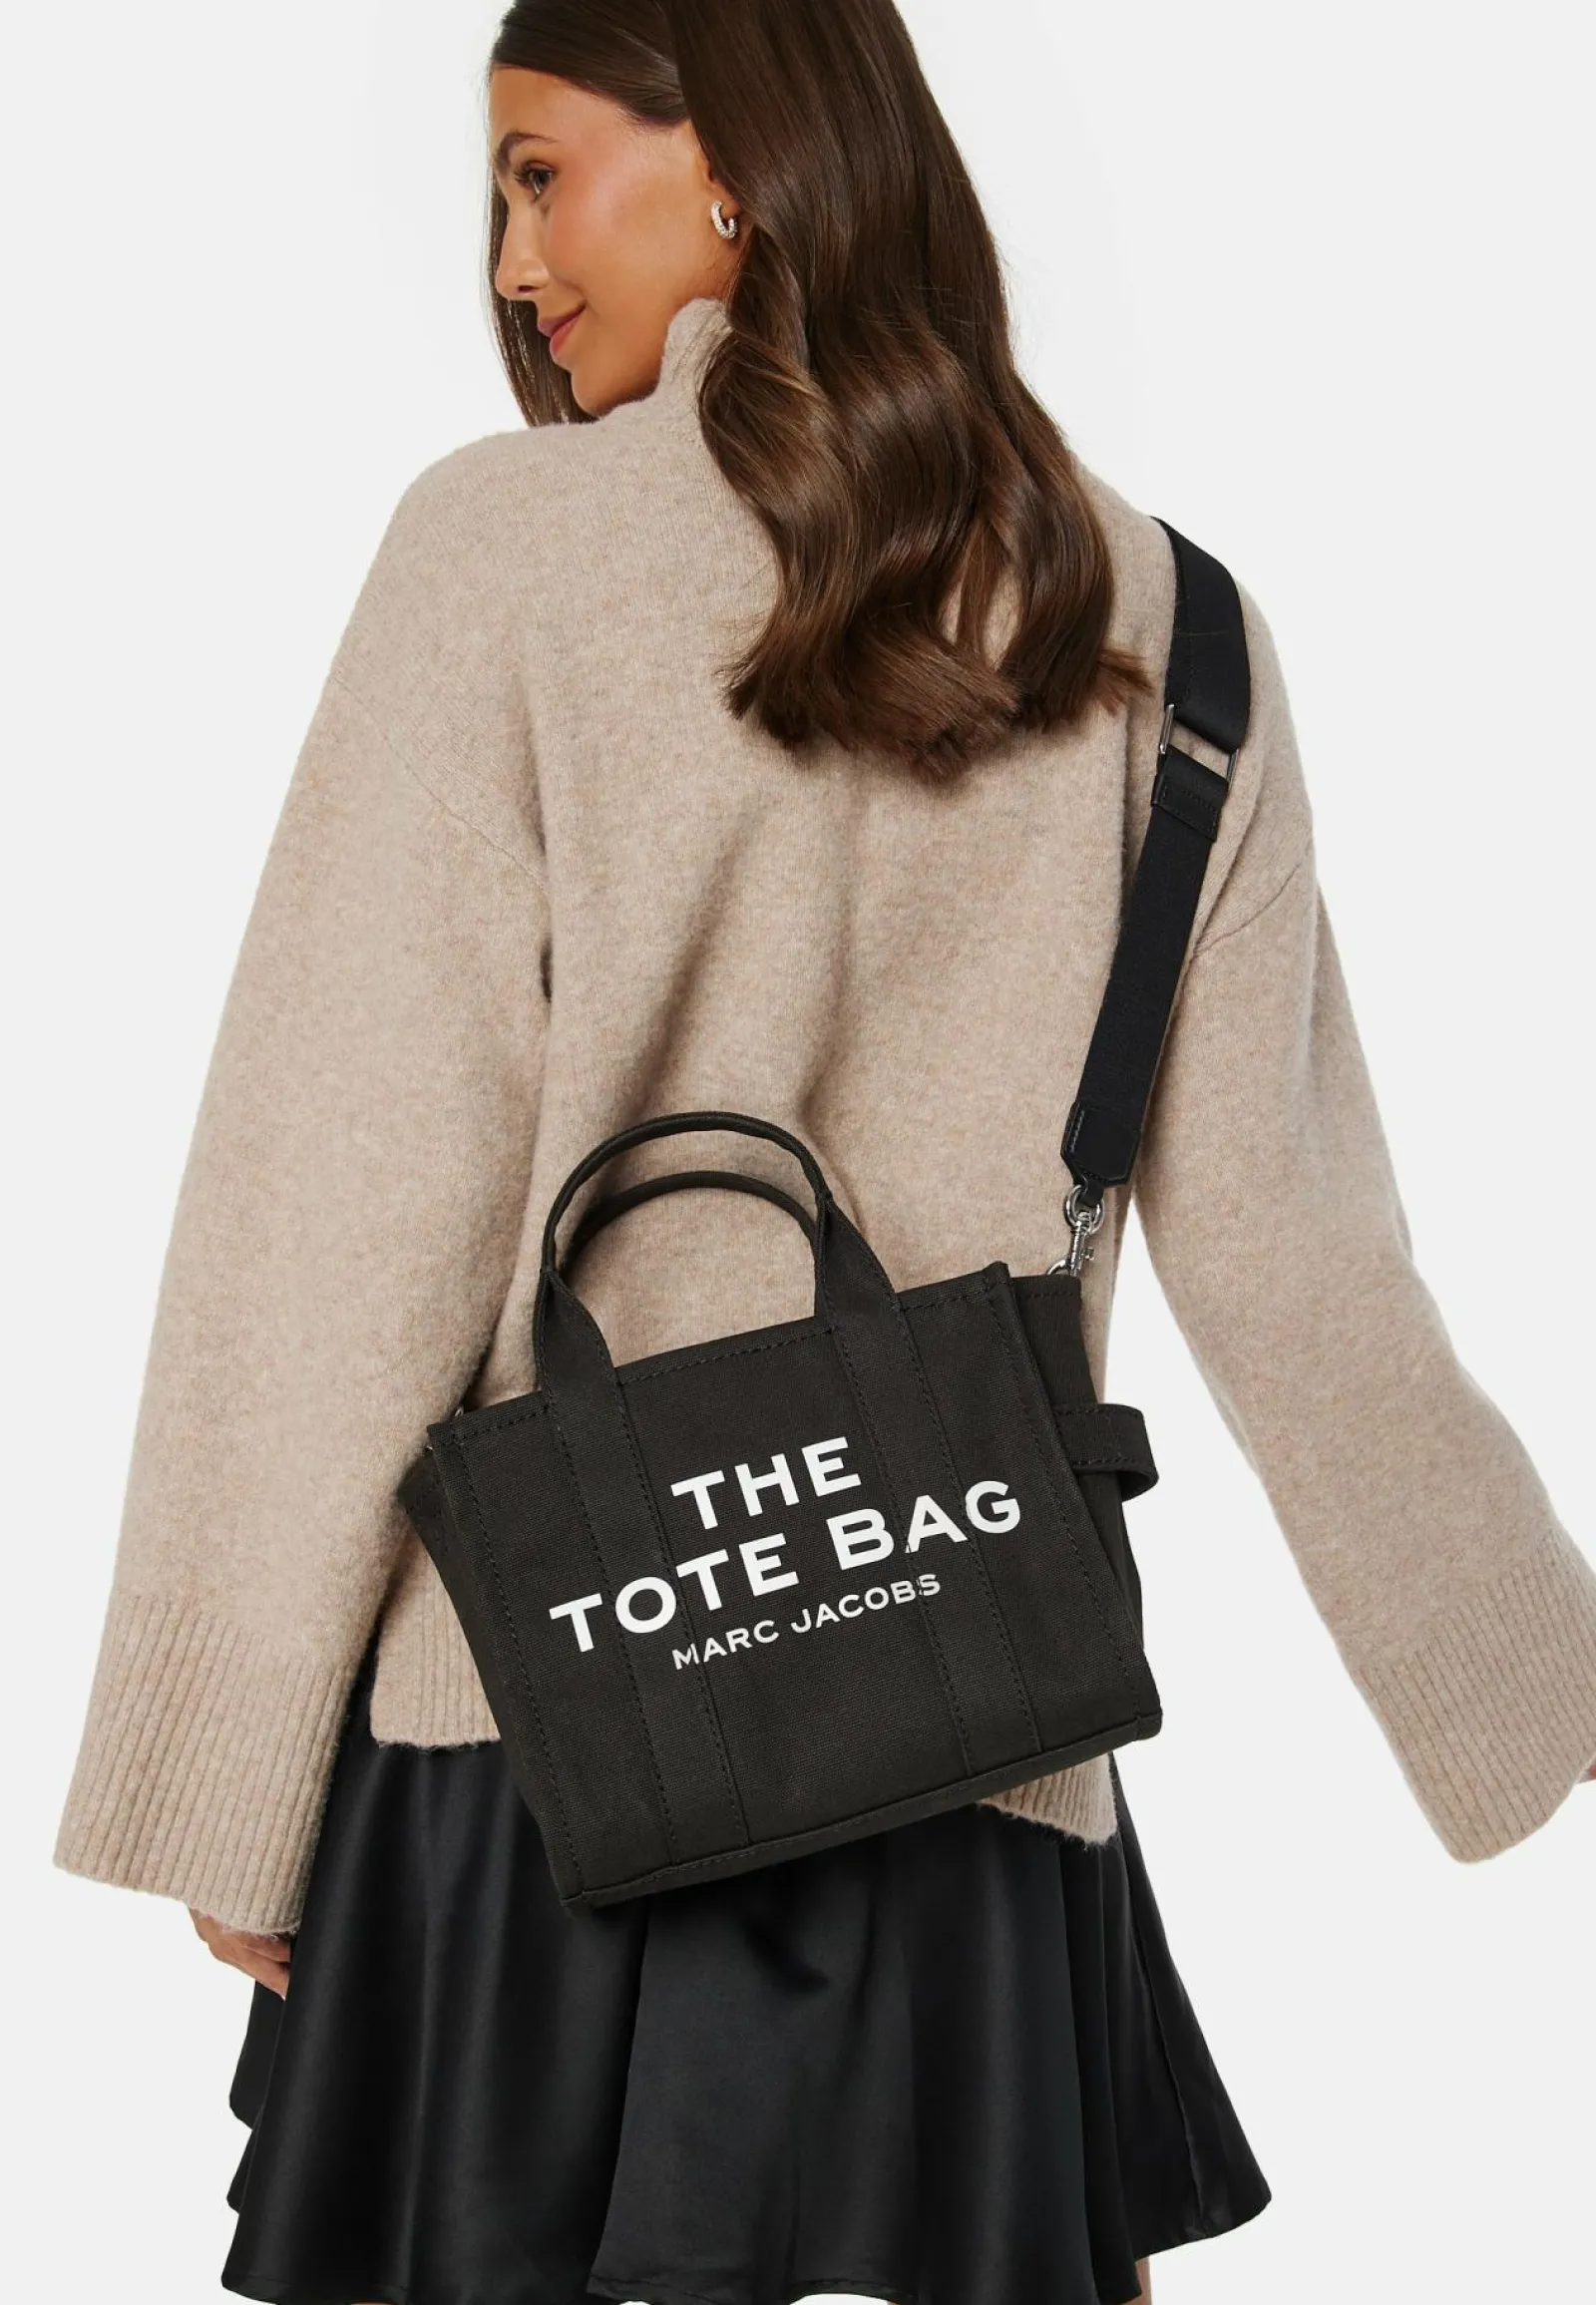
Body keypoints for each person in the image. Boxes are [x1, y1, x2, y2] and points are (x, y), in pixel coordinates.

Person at [53, 4, 1596, 2303]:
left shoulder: (500, 556)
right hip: (967, 1748)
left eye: (539, 172)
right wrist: (1533, 1688)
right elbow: (1296, 1260)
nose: (510, 260)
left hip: (540, 1744)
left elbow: (342, 1203)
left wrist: (233, 1764)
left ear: (736, 164)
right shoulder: (1165, 631)